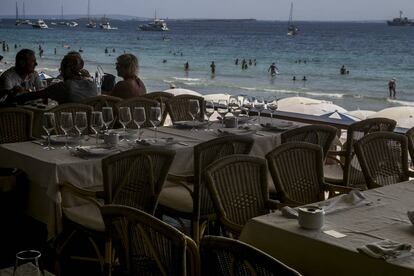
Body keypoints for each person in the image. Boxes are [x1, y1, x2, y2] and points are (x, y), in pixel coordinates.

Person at [14, 52, 98, 104]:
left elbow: (33, 96)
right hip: (89, 126)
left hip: (64, 125)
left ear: (65, 70)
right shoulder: (92, 84)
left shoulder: (63, 87)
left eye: (61, 69)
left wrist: (12, 98)